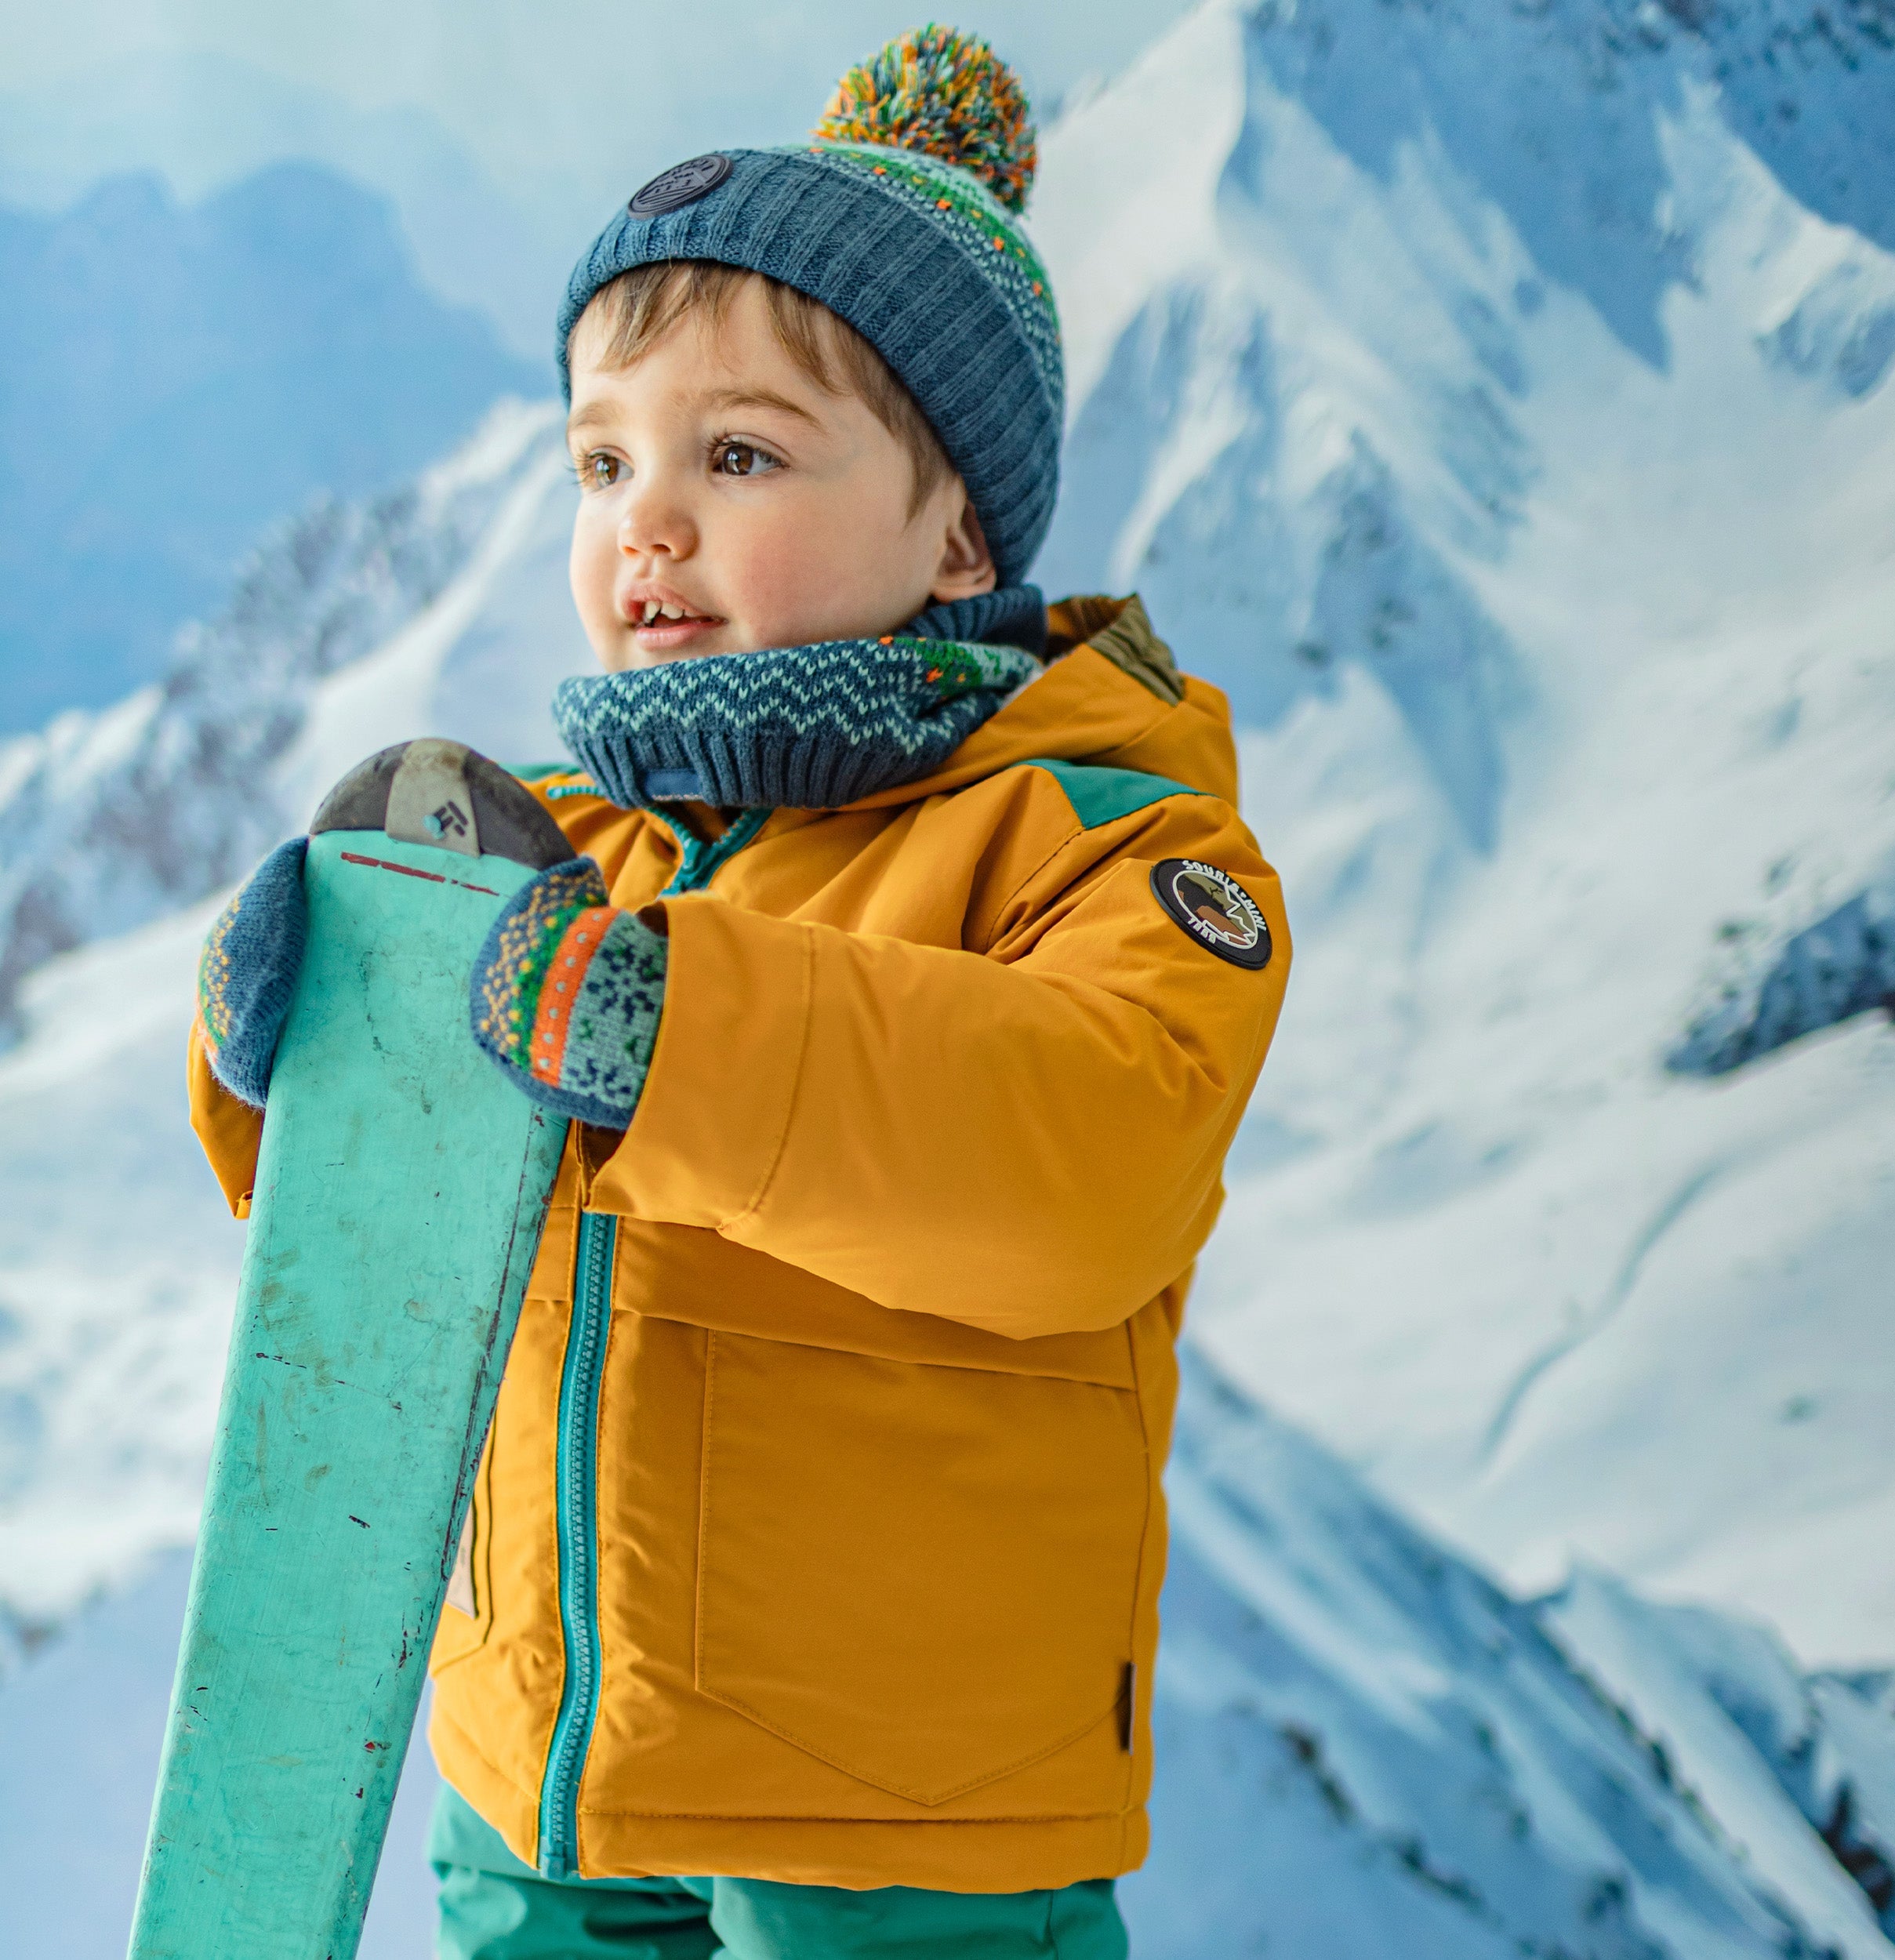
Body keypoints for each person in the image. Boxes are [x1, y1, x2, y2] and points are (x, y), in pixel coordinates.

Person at [187, 27, 1289, 1959]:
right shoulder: (577, 862)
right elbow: (425, 1257)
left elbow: (1075, 1158)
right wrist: (290, 1074)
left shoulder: (1099, 851)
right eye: (602, 460)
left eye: (738, 453)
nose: (648, 520)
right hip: (542, 1780)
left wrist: (663, 1033)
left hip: (889, 1830)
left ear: (956, 529)